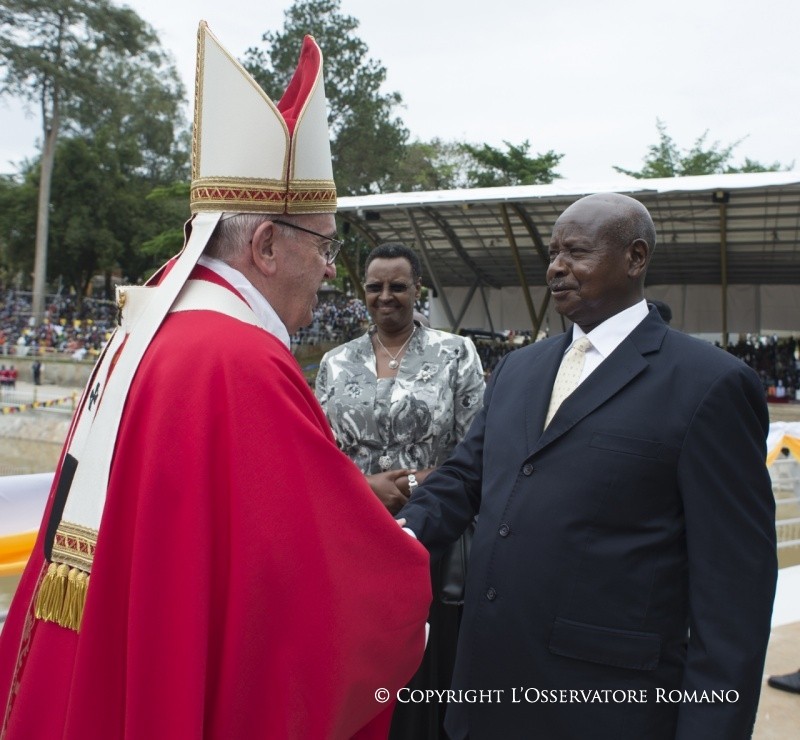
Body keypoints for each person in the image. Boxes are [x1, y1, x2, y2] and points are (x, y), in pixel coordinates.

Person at [0, 23, 430, 739]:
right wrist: (401, 564)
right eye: (323, 244)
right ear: (265, 244)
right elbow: (301, 586)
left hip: (107, 664)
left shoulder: (150, 327)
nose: (331, 269)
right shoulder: (238, 361)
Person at [399, 192, 777, 739]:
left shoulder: (709, 385)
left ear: (636, 258)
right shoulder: (518, 371)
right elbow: (464, 478)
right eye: (552, 253)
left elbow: (733, 596)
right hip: (486, 698)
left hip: (606, 712)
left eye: (576, 252)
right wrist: (397, 534)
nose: (556, 267)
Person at [316, 242, 485, 739]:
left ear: (417, 290)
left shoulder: (455, 353)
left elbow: (477, 448)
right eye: (374, 287)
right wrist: (364, 487)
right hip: (355, 533)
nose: (385, 296)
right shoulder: (335, 363)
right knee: (360, 659)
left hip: (430, 535)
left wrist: (414, 485)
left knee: (421, 668)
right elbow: (320, 452)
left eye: (397, 286)